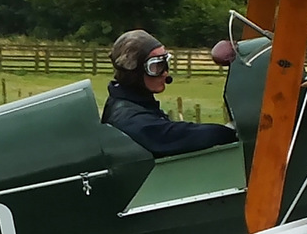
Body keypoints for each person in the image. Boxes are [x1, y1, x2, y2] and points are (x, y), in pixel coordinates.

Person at [101, 30, 237, 156]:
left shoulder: (136, 103)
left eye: (165, 62)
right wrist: (229, 133)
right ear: (133, 72)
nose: (165, 72)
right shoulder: (127, 117)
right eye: (155, 66)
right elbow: (171, 135)